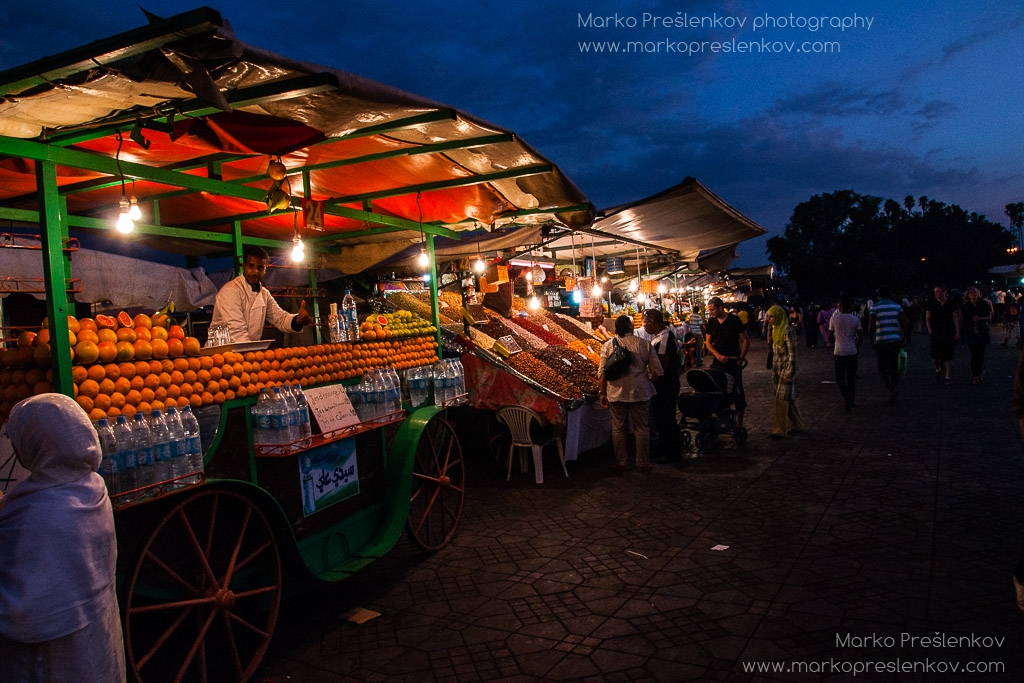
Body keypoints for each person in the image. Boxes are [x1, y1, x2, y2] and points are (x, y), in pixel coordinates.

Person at [0, 394, 127, 682]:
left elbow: (21, 610)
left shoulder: (42, 512)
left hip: (52, 658)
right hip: (95, 638)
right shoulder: (91, 488)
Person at [210, 245, 314, 343]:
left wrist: (297, 320)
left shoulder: (264, 294)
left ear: (265, 269)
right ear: (244, 266)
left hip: (247, 350)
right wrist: (252, 353)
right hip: (221, 352)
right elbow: (236, 331)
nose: (255, 271)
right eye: (251, 266)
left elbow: (280, 319)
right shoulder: (230, 291)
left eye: (259, 268)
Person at [599, 315, 662, 473]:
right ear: (631, 327)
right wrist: (648, 382)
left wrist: (602, 393)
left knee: (618, 429)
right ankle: (643, 462)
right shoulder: (644, 344)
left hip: (616, 392)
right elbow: (658, 370)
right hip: (640, 392)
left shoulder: (608, 345)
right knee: (641, 428)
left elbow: (602, 374)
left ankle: (621, 462)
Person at [642, 310, 682, 463]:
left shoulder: (665, 338)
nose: (644, 325)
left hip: (665, 385)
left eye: (645, 322)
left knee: (667, 419)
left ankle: (672, 453)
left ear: (652, 322)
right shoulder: (659, 337)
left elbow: (661, 366)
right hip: (661, 385)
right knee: (659, 419)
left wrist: (651, 382)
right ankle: (663, 448)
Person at [704, 297, 750, 429]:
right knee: (716, 390)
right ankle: (720, 420)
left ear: (720, 307)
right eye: (709, 310)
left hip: (733, 362)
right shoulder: (712, 321)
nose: (711, 312)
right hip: (717, 362)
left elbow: (746, 340)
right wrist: (717, 355)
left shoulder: (734, 320)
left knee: (737, 391)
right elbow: (708, 342)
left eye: (712, 310)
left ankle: (739, 424)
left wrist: (741, 358)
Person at [766, 305, 805, 438]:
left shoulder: (788, 330)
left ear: (779, 316)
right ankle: (798, 425)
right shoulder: (775, 329)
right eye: (768, 317)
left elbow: (792, 353)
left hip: (786, 368)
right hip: (776, 368)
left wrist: (790, 372)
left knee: (781, 399)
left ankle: (780, 430)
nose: (769, 319)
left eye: (772, 317)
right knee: (787, 398)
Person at [868, 291, 909, 404]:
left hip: (882, 340)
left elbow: (871, 326)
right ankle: (895, 387)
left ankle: (891, 388)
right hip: (895, 340)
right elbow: (906, 321)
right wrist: (903, 337)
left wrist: (871, 340)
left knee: (882, 368)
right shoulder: (896, 306)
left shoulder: (875, 307)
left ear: (878, 296)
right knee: (893, 366)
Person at [828, 295, 863, 411]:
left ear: (840, 306)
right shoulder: (855, 319)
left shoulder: (834, 319)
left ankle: (846, 393)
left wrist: (836, 340)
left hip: (839, 351)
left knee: (840, 377)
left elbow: (830, 336)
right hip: (852, 350)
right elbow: (860, 336)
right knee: (851, 377)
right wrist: (855, 345)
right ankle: (851, 400)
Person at [925, 284, 961, 385]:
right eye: (935, 292)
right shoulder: (931, 303)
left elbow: (955, 317)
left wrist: (957, 331)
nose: (936, 293)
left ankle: (947, 375)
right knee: (934, 355)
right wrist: (930, 330)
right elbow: (928, 317)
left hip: (948, 331)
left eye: (938, 291)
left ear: (944, 292)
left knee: (948, 354)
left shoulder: (951, 303)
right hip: (936, 331)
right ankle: (938, 368)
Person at [961, 285, 992, 384]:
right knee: (974, 353)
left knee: (981, 353)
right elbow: (963, 319)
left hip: (982, 331)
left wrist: (979, 318)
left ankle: (978, 372)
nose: (974, 294)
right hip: (970, 332)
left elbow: (989, 316)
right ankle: (975, 374)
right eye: (971, 293)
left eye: (975, 292)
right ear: (968, 295)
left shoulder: (983, 304)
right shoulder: (965, 306)